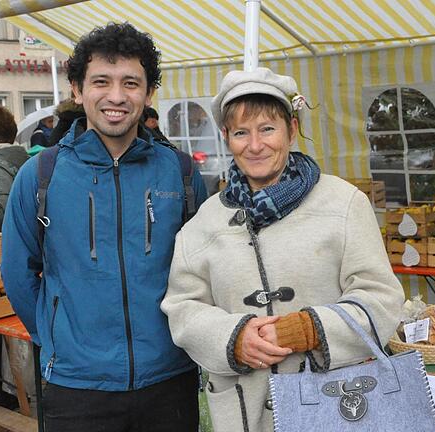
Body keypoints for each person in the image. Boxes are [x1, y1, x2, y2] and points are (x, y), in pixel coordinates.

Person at [161, 68, 404, 432]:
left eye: (267, 129)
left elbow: (382, 298)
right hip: (243, 412)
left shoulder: (344, 203)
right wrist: (234, 339)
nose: (255, 145)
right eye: (241, 133)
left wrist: (309, 329)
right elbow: (183, 310)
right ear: (226, 137)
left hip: (334, 405)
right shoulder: (203, 223)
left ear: (292, 129)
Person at [1, 23, 207, 432]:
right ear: (77, 90)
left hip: (168, 378)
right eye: (101, 81)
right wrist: (56, 337)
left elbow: (201, 266)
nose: (116, 96)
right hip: (76, 386)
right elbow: (17, 273)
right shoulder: (41, 174)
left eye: (131, 82)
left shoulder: (179, 172)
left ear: (148, 94)